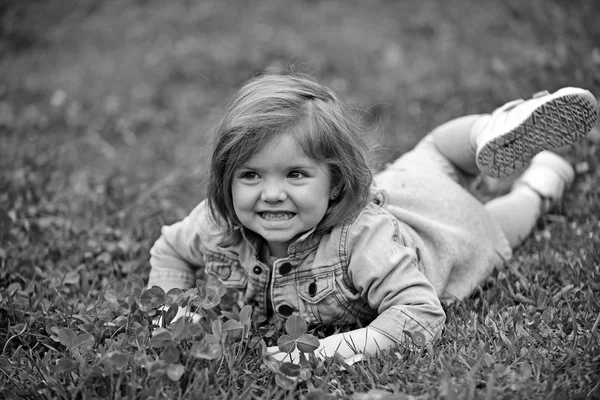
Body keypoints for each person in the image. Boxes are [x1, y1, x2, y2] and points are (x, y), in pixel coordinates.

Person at [146, 72, 598, 362]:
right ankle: (547, 168)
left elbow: (419, 314)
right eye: (250, 175)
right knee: (436, 152)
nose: (271, 194)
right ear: (225, 179)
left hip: (450, 227)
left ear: (336, 182)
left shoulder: (362, 241)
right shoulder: (215, 223)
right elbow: (170, 250)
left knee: (497, 220)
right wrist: (169, 313)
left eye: (296, 174)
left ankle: (504, 141)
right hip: (404, 181)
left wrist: (328, 350)